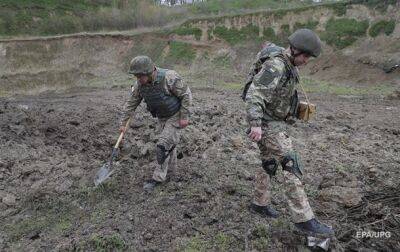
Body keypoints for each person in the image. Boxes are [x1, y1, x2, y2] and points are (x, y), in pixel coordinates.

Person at [244, 29, 334, 236]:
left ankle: (259, 202)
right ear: (296, 50)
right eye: (306, 57)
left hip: (274, 120)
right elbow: (255, 94)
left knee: (268, 162)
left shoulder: (288, 64)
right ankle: (304, 220)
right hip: (266, 122)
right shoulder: (276, 66)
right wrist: (256, 123)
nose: (307, 61)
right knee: (289, 163)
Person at [120, 55, 192, 191]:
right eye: (136, 76)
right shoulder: (140, 86)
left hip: (176, 115)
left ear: (149, 71)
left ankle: (158, 178)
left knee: (162, 146)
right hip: (162, 117)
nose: (138, 79)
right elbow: (131, 104)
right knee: (170, 146)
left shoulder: (169, 77)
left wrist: (184, 116)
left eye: (140, 75)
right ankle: (172, 174)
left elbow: (186, 95)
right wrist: (124, 123)